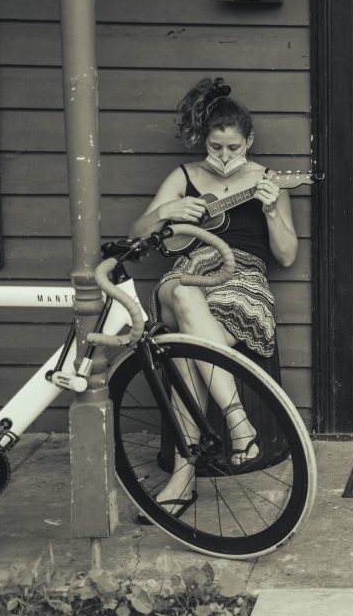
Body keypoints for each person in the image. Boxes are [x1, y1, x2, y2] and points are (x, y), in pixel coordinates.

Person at [128, 77, 298, 519]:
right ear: (205, 140)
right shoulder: (183, 176)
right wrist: (166, 212)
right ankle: (239, 422)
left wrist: (272, 208)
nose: (224, 156)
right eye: (216, 146)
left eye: (234, 147)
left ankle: (182, 479)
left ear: (250, 141)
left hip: (243, 279)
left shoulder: (267, 180)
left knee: (190, 346)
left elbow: (286, 254)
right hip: (186, 271)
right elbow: (137, 235)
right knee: (183, 292)